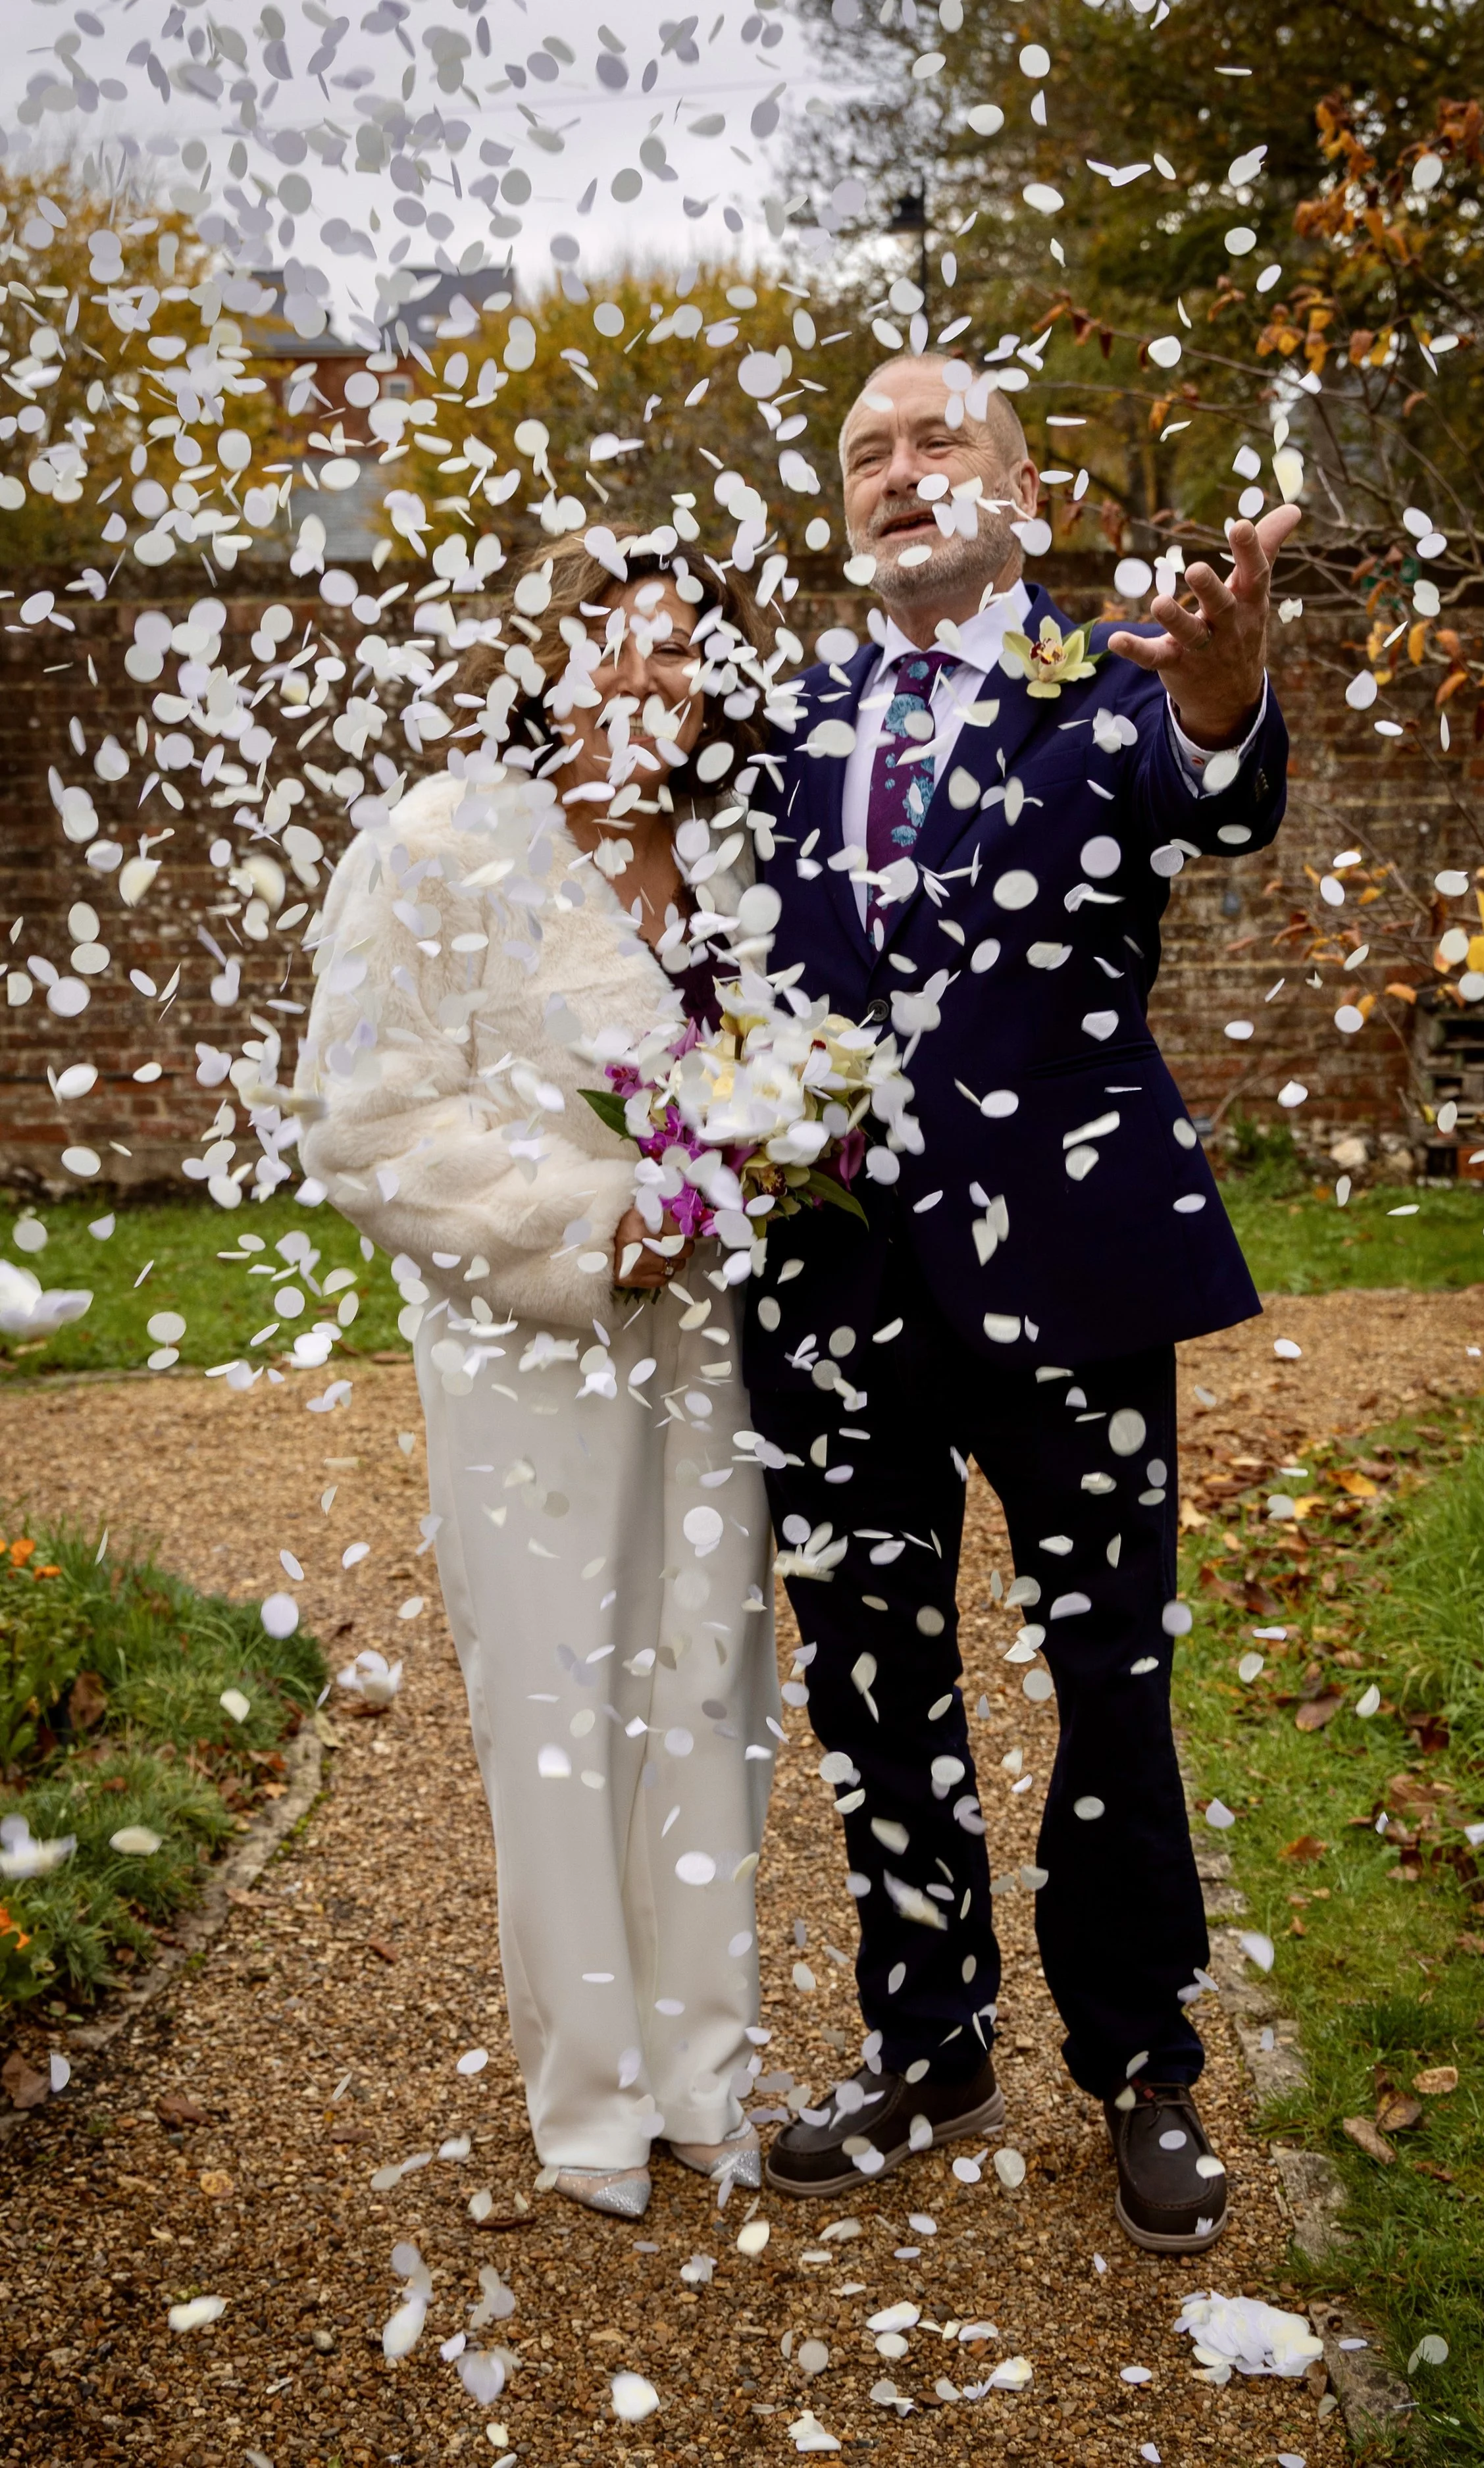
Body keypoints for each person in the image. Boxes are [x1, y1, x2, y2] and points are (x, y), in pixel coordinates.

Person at [741, 355, 1299, 2254]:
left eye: (936, 442)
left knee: (1108, 1671)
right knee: (870, 1679)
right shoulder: (793, 717)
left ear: (1021, 482)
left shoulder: (1114, 680)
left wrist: (1223, 692)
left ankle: (1142, 2060)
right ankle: (929, 2041)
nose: (901, 476)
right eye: (864, 455)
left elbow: (1213, 792)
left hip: (1069, 1272)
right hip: (829, 1285)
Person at [297, 531, 782, 2219]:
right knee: (561, 1708)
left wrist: (767, 1158)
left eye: (679, 651)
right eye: (612, 644)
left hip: (712, 1338)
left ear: (722, 688)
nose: (641, 679)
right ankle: (591, 2103)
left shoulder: (745, 859)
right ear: (549, 660)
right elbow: (364, 1120)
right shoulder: (444, 842)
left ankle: (708, 2069)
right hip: (527, 1341)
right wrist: (597, 1221)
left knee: (707, 1679)